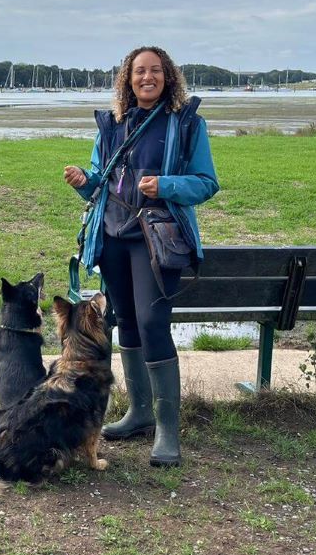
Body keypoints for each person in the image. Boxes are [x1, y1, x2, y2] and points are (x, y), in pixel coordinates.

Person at [63, 45, 218, 467]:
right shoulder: (113, 123)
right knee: (127, 322)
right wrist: (83, 180)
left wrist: (166, 185)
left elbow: (206, 182)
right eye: (139, 71)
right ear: (127, 79)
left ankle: (167, 429)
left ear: (168, 76)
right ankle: (140, 413)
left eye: (155, 71)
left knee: (152, 323)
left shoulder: (186, 123)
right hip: (112, 236)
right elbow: (100, 181)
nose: (147, 77)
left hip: (156, 240)